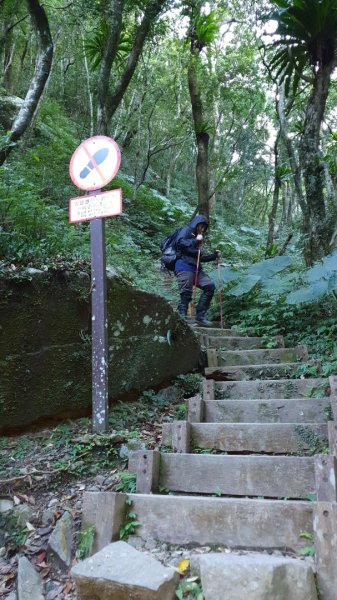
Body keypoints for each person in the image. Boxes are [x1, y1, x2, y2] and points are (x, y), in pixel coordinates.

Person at [174, 215, 220, 327]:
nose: (202, 229)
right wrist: (196, 240)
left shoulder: (197, 236)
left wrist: (214, 256)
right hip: (184, 266)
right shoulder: (186, 231)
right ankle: (182, 319)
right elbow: (180, 243)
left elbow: (199, 257)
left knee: (209, 286)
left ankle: (200, 317)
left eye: (204, 228)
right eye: (201, 226)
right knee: (186, 292)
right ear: (196, 224)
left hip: (196, 268)